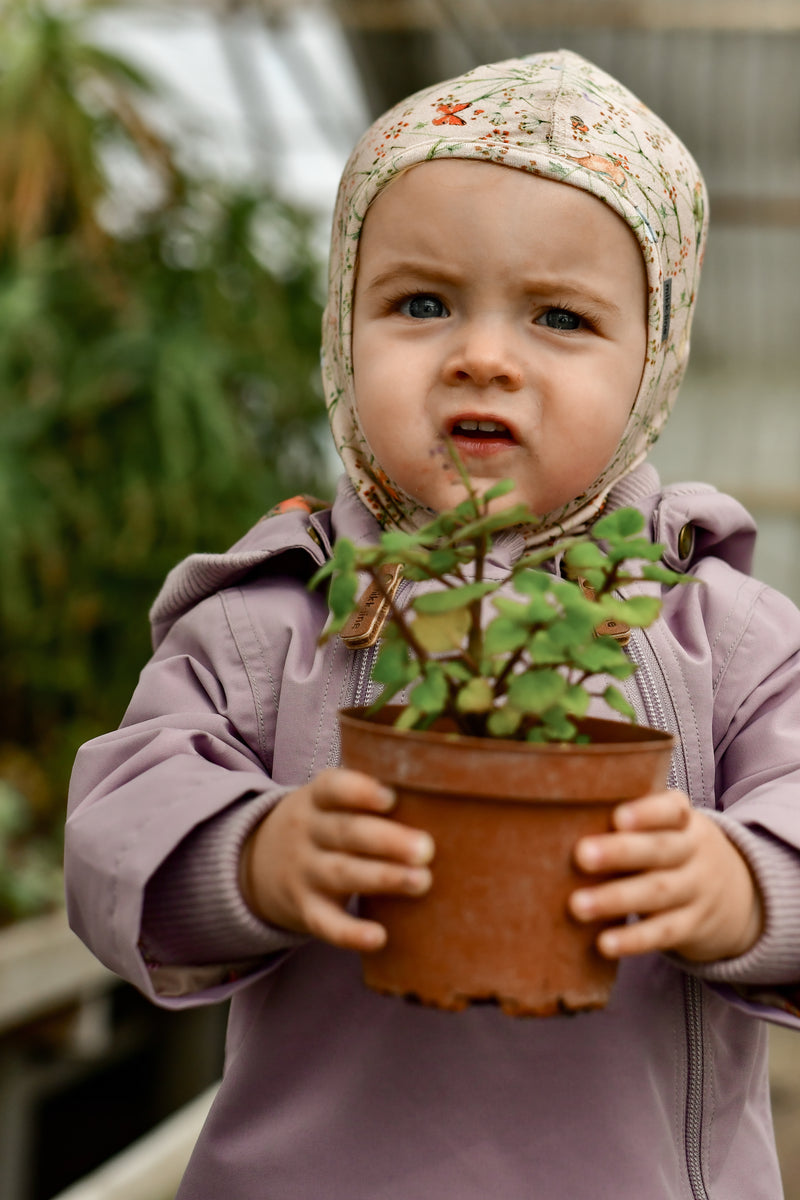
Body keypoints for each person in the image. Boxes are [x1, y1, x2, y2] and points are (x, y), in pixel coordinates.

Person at [66, 50, 800, 1198]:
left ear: (652, 359)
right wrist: (252, 856)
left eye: (558, 316)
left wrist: (744, 885)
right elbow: (117, 830)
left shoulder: (726, 632)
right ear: (340, 326)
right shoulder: (275, 615)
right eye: (419, 303)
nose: (482, 357)